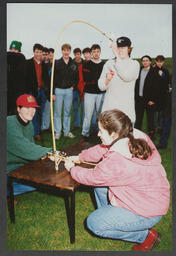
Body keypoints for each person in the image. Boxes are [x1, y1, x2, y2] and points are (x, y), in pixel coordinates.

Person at [64, 109, 170, 251]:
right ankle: (111, 217)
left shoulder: (117, 160)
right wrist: (80, 157)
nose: (98, 134)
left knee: (94, 223)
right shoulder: (132, 135)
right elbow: (102, 149)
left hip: (147, 210)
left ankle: (145, 236)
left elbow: (93, 177)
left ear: (113, 134)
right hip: (152, 196)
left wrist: (72, 169)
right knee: (101, 188)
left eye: (101, 131)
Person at [7, 94, 53, 197]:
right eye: (27, 108)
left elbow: (31, 146)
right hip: (8, 166)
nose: (31, 111)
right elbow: (25, 148)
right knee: (39, 183)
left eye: (33, 108)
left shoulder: (29, 123)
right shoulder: (9, 124)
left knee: (43, 181)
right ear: (18, 109)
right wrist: (50, 152)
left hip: (22, 164)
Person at [98, 36, 140, 125]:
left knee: (126, 139)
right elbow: (101, 87)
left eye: (123, 48)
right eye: (118, 47)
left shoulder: (134, 64)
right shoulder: (109, 63)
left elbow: (126, 76)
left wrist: (116, 55)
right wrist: (107, 80)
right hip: (109, 112)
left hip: (126, 114)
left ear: (129, 49)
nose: (120, 50)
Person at [25, 43, 50, 141]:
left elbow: (46, 79)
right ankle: (34, 132)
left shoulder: (44, 65)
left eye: (40, 52)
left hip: (42, 92)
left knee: (40, 112)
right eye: (37, 52)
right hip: (32, 92)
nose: (38, 54)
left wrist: (48, 92)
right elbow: (25, 79)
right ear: (33, 52)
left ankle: (38, 131)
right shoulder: (28, 63)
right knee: (32, 113)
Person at [53, 43, 77, 140]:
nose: (66, 52)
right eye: (64, 50)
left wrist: (73, 87)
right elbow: (53, 78)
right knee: (58, 112)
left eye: (68, 50)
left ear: (70, 51)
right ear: (62, 51)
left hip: (69, 91)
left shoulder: (73, 63)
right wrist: (53, 92)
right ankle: (57, 132)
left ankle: (66, 131)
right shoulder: (57, 63)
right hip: (58, 90)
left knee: (67, 112)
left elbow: (77, 77)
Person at [81, 44, 105, 140]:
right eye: (94, 52)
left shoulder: (104, 64)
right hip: (89, 93)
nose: (96, 53)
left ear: (100, 52)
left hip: (101, 93)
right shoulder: (86, 64)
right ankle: (85, 133)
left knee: (100, 115)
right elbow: (87, 78)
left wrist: (96, 78)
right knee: (88, 114)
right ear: (91, 53)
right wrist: (98, 78)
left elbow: (104, 78)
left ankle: (99, 132)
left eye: (97, 51)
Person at [134, 55, 156, 139]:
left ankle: (151, 134)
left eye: (147, 60)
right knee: (138, 118)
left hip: (149, 100)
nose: (145, 62)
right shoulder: (139, 70)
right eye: (143, 61)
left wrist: (153, 99)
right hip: (139, 99)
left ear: (150, 62)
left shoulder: (154, 71)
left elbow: (156, 87)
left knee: (150, 118)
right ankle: (136, 134)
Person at [152, 55, 170, 135]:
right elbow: (150, 83)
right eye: (158, 61)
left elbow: (167, 82)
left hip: (163, 97)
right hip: (154, 96)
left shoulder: (165, 70)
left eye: (161, 62)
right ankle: (153, 130)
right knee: (154, 115)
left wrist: (162, 76)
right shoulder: (152, 70)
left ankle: (160, 128)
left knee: (161, 115)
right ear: (156, 61)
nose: (159, 63)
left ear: (163, 62)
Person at [7, 40, 26, 115]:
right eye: (11, 49)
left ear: (19, 50)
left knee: (15, 111)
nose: (12, 51)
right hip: (7, 90)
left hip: (17, 91)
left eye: (15, 49)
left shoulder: (21, 58)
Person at [41, 48, 56, 132]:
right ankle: (41, 126)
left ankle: (45, 126)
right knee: (41, 109)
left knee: (47, 109)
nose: (48, 55)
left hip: (50, 90)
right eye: (46, 54)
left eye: (49, 54)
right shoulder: (42, 64)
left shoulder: (53, 64)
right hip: (43, 90)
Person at [72, 48, 84, 130]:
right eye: (76, 54)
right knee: (75, 107)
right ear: (74, 55)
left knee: (83, 108)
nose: (77, 56)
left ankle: (84, 124)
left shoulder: (84, 63)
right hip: (74, 89)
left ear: (81, 54)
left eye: (79, 54)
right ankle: (76, 124)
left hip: (83, 89)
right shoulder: (71, 64)